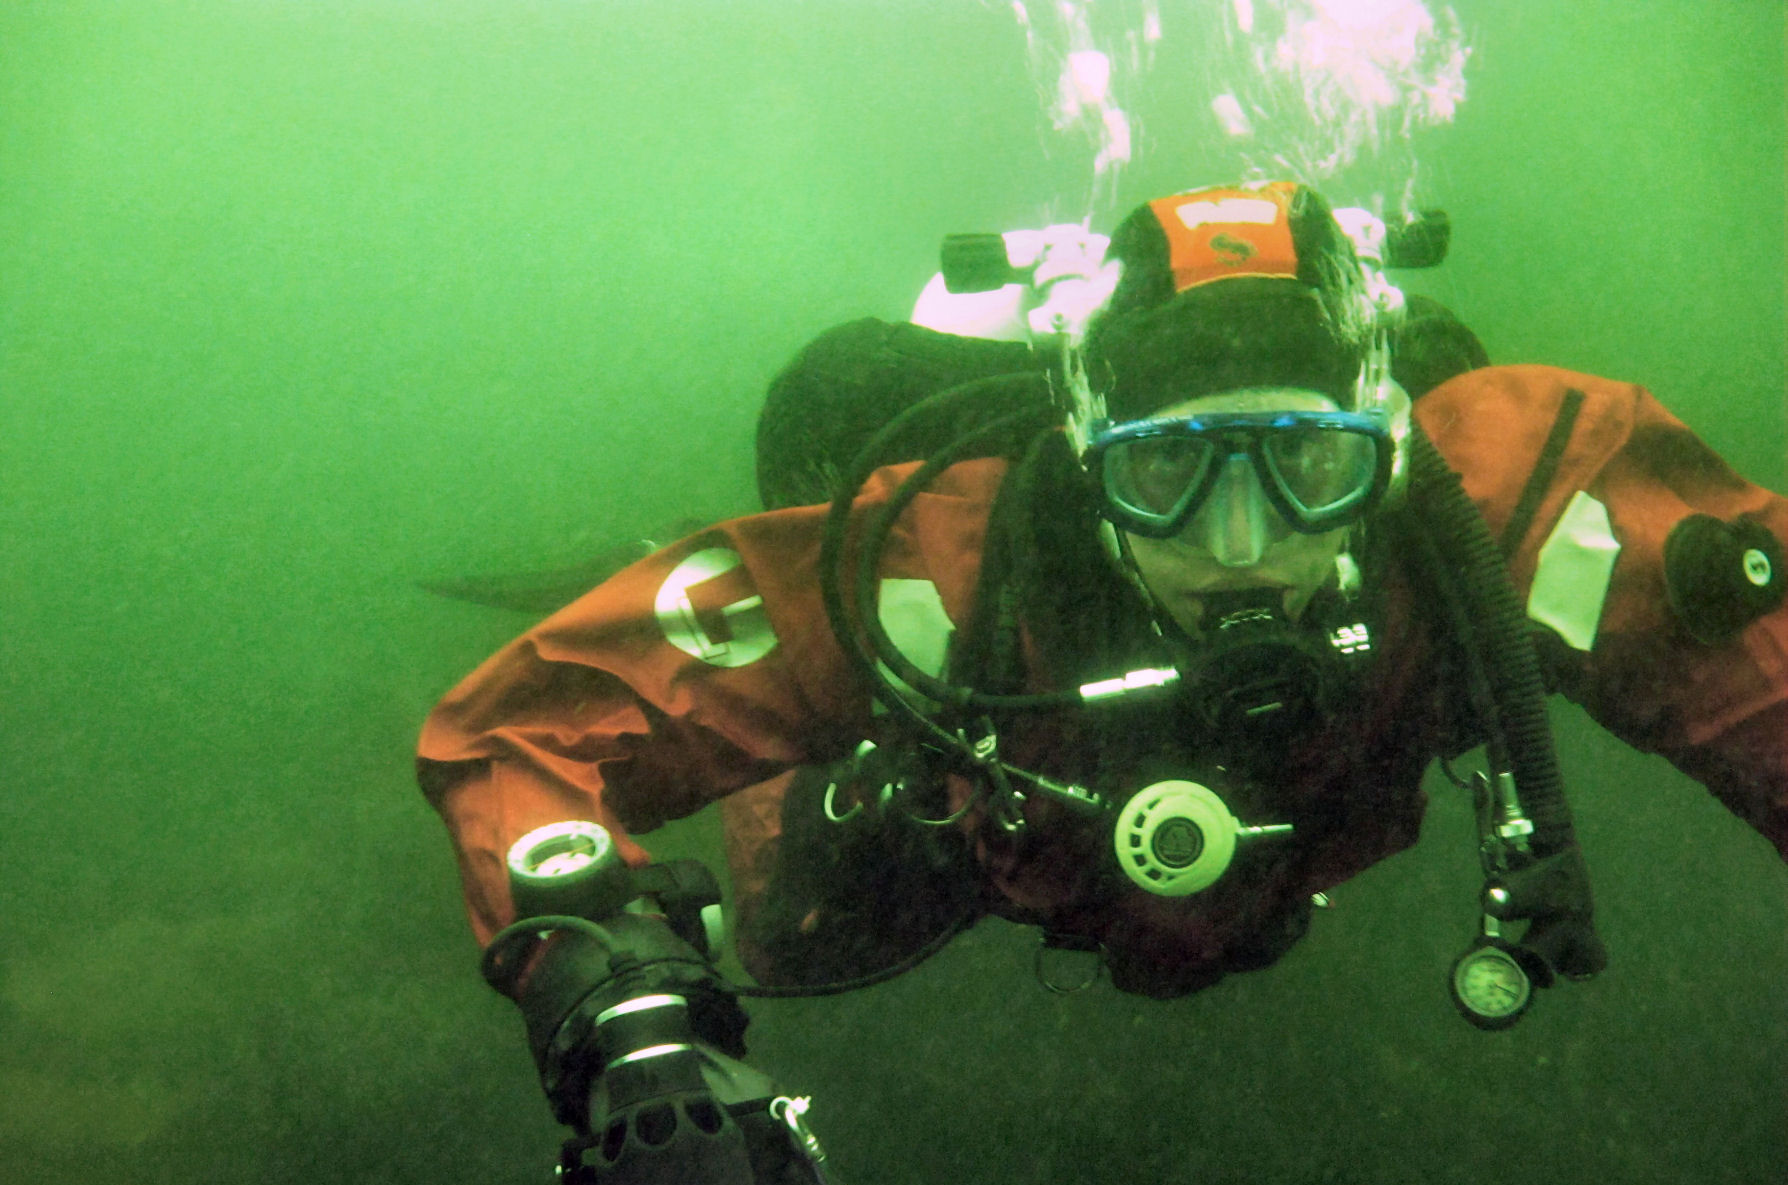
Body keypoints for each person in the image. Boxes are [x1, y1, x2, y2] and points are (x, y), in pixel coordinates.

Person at [417, 178, 1785, 1091]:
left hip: (1268, 868)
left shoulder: (1500, 509)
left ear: (1384, 449)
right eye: (1165, 473)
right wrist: (608, 994)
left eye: (1307, 466)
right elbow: (526, 728)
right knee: (793, 938)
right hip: (989, 836)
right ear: (1086, 461)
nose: (1238, 548)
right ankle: (721, 569)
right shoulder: (940, 568)